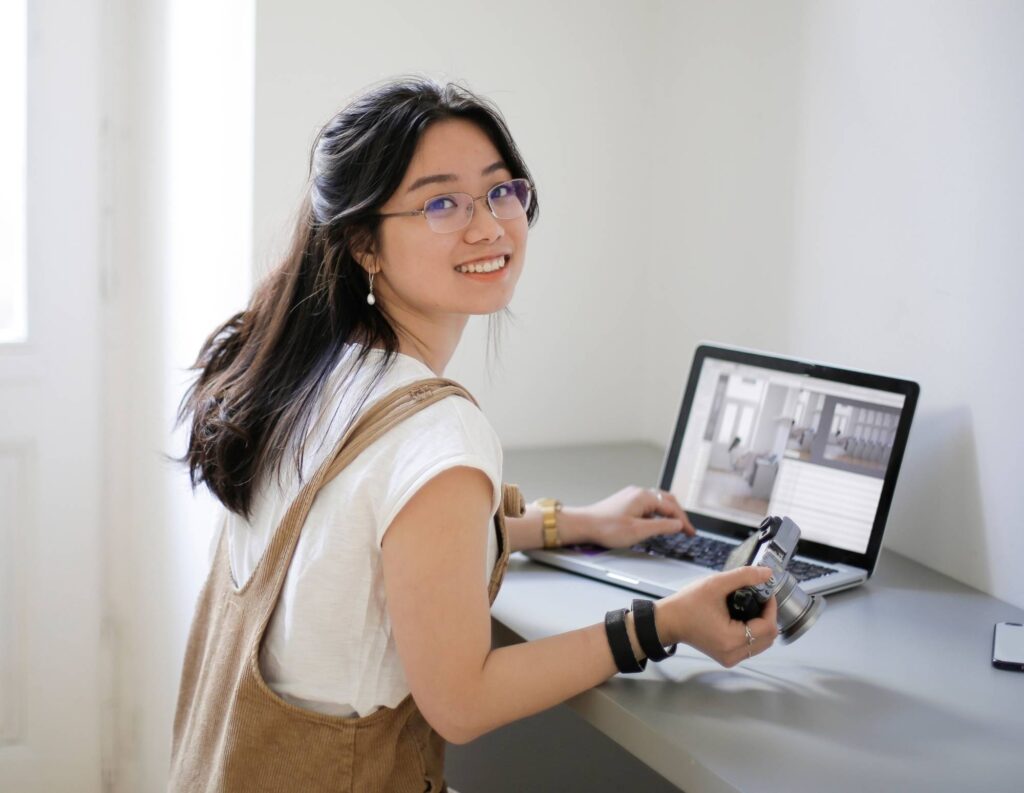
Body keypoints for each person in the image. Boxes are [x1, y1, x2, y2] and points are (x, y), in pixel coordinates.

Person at [168, 76, 778, 793]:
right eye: (441, 203)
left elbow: (374, 542)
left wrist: (573, 523)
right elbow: (462, 702)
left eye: (499, 191)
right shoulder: (436, 431)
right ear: (364, 243)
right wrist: (665, 623)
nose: (488, 226)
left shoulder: (311, 375)